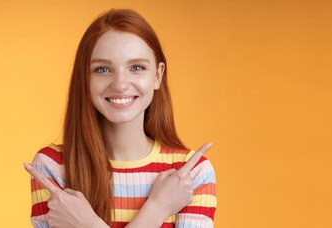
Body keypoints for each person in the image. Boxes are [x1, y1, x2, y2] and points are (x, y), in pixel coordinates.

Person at [23, 8, 217, 228]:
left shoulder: (190, 173)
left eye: (137, 67)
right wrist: (158, 209)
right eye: (103, 69)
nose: (120, 84)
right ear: (84, 78)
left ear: (157, 75)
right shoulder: (52, 166)